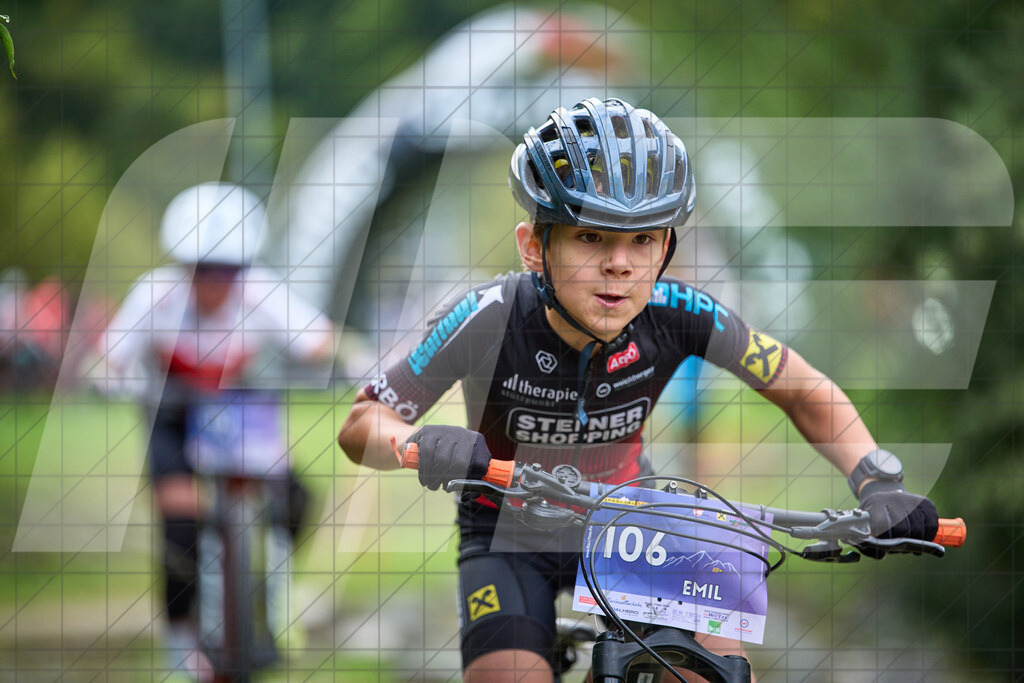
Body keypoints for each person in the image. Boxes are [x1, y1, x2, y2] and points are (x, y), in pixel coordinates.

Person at [336, 98, 939, 682]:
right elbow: (363, 423)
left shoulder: (680, 312)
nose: (620, 265)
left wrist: (876, 480)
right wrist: (417, 443)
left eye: (643, 240)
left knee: (718, 663)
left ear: (666, 249)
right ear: (533, 247)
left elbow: (803, 390)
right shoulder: (487, 315)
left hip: (625, 522)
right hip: (505, 534)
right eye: (590, 238)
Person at [97, 182, 335, 681]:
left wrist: (339, 358)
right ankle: (182, 639)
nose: (218, 282)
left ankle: (271, 597)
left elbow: (317, 340)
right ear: (184, 268)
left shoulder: (260, 291)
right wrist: (105, 378)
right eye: (204, 269)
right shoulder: (155, 295)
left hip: (234, 408)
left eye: (231, 269)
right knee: (181, 524)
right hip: (172, 410)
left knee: (294, 499)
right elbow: (110, 355)